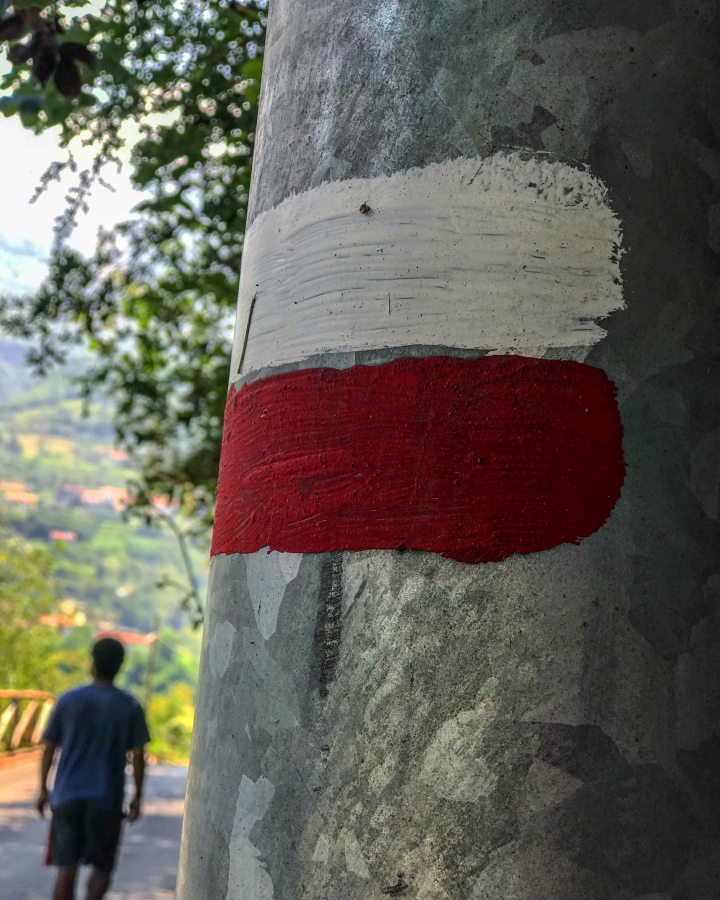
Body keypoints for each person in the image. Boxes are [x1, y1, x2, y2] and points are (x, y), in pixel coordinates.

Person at [36, 637, 151, 900]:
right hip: (106, 799)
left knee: (66, 869)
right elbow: (139, 756)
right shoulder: (129, 706)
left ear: (92, 663)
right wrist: (137, 797)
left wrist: (43, 788)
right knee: (102, 867)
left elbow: (49, 748)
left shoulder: (68, 700)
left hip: (66, 796)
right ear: (120, 665)